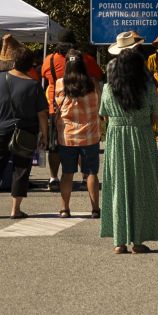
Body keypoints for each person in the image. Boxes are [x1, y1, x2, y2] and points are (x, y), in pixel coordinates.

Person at [98, 33, 158, 252]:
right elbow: (155, 118)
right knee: (141, 186)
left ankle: (119, 240)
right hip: (141, 136)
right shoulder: (148, 89)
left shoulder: (108, 89)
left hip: (116, 138)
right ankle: (138, 240)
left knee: (118, 186)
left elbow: (104, 115)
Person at [0, 42, 41, 221]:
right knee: (21, 169)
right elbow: (42, 113)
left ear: (13, 62)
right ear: (30, 65)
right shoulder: (34, 85)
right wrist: (44, 133)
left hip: (0, 129)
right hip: (25, 131)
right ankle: (15, 209)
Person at [48, 57, 105, 219]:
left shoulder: (60, 83)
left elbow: (56, 104)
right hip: (90, 135)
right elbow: (99, 104)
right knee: (91, 172)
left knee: (67, 173)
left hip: (67, 136)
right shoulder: (92, 84)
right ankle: (95, 209)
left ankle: (65, 208)